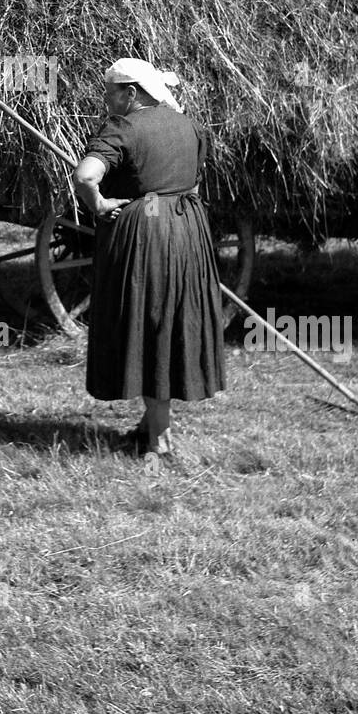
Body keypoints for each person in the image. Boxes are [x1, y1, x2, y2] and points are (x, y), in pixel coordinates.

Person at [72, 59, 226, 460]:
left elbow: (85, 176)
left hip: (146, 233)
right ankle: (150, 426)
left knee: (148, 326)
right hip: (188, 227)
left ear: (131, 93)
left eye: (110, 93)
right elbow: (193, 181)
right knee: (170, 323)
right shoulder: (189, 125)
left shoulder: (123, 127)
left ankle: (158, 441)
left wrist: (100, 203)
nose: (106, 101)